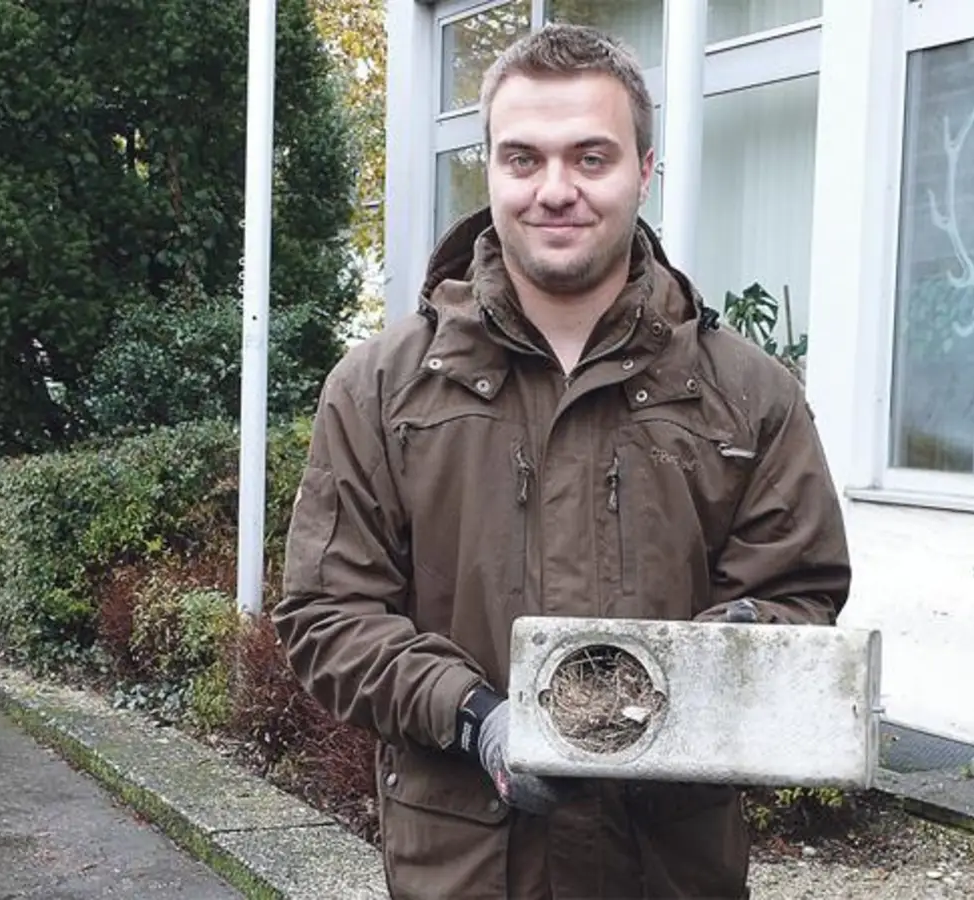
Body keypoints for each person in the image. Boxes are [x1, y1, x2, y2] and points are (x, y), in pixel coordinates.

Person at [273, 22, 851, 900]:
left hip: (667, 869)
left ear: (643, 172)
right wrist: (477, 719)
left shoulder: (749, 394)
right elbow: (328, 611)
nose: (555, 190)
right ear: (490, 171)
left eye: (591, 157)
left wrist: (713, 666)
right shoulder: (381, 388)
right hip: (467, 869)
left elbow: (801, 594)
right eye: (523, 158)